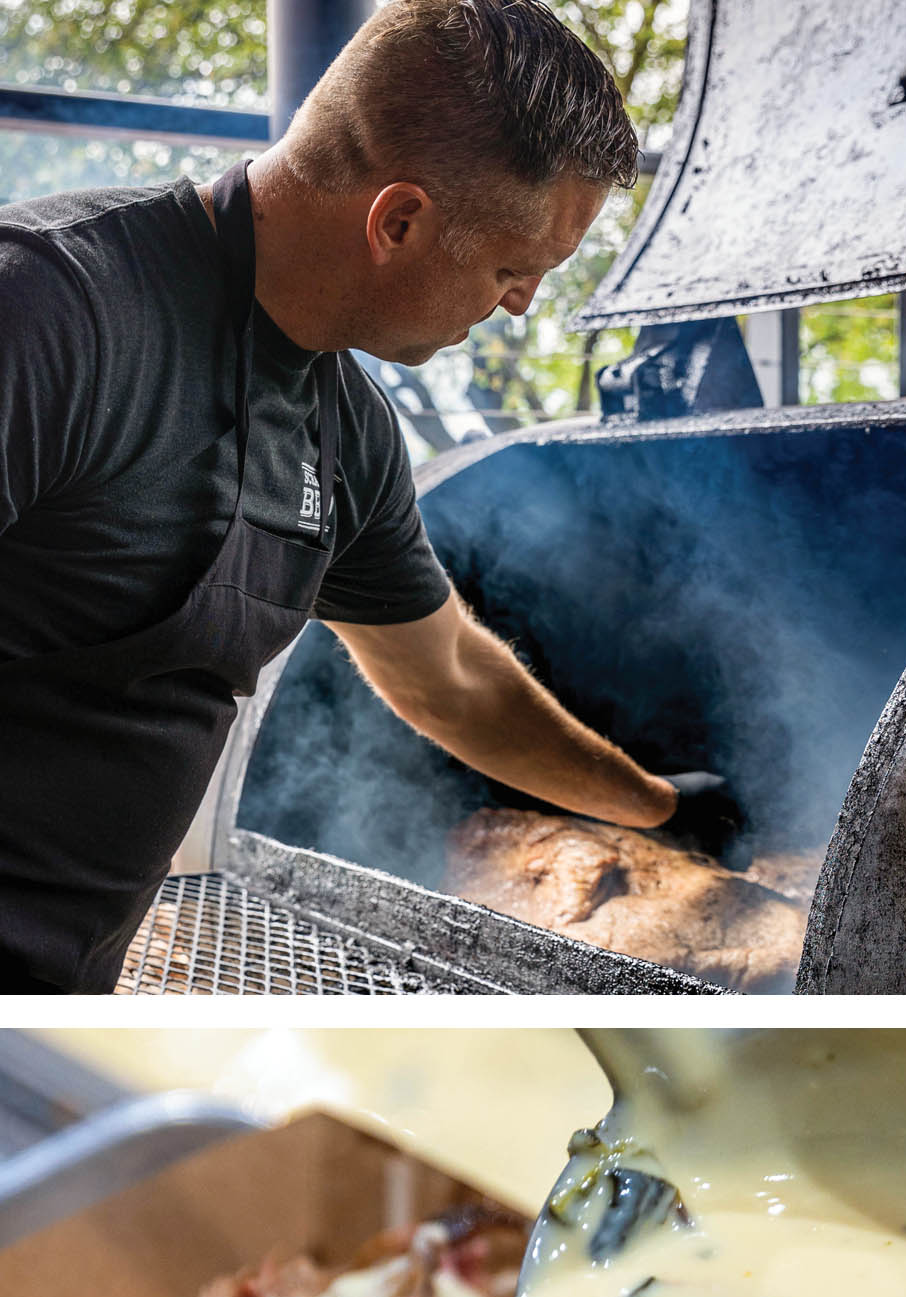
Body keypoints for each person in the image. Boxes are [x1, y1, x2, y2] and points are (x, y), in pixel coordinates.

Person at [0, 0, 745, 993]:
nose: (520, 304)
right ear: (398, 221)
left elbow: (451, 679)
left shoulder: (347, 430)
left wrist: (654, 805)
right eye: (511, 269)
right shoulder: (49, 307)